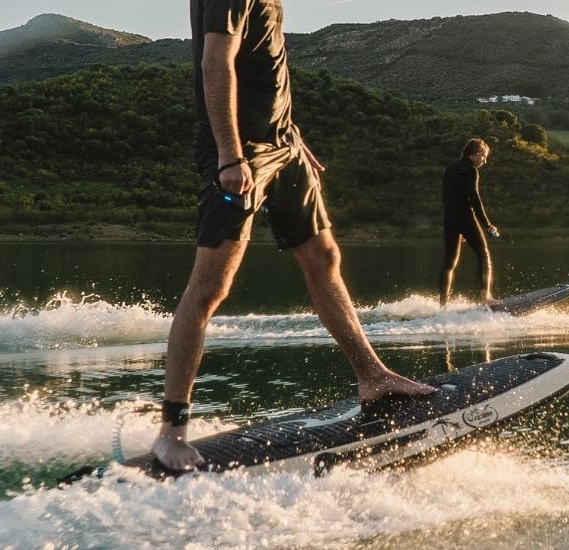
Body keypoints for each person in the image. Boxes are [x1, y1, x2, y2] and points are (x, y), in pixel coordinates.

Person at [155, 0, 435, 472]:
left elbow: (267, 67)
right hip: (243, 151)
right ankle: (171, 432)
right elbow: (215, 62)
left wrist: (292, 135)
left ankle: (373, 376)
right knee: (210, 287)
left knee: (324, 257)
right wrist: (230, 155)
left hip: (284, 145)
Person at [439, 139, 500, 307]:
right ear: (475, 153)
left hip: (450, 219)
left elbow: (447, 197)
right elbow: (474, 198)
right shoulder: (471, 170)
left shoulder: (449, 169)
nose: (484, 161)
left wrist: (460, 229)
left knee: (449, 263)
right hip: (466, 218)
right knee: (484, 255)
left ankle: (443, 306)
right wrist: (487, 225)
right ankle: (486, 298)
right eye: (483, 156)